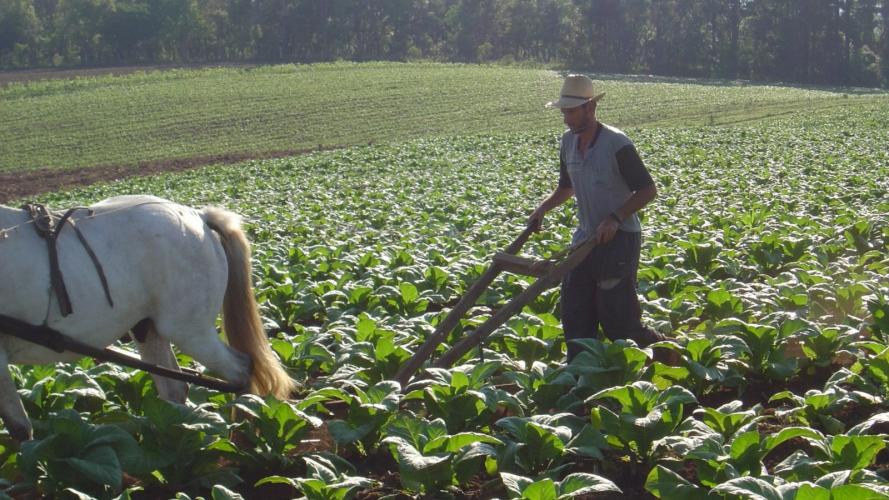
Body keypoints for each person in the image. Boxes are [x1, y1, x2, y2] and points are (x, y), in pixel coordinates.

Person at [529, 74, 662, 362]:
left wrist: (615, 217)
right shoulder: (568, 142)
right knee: (575, 315)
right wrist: (542, 209)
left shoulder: (617, 143)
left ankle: (664, 356)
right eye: (563, 112)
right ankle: (581, 378)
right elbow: (566, 188)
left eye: (570, 112)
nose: (565, 119)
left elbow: (648, 190)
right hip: (585, 239)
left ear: (590, 108)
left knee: (619, 323)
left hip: (620, 240)